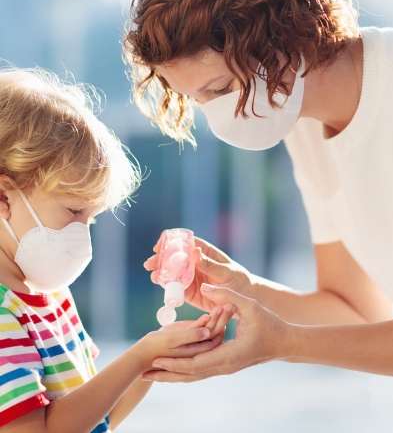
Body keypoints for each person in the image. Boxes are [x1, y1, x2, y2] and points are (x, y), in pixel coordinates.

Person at [122, 0, 393, 382]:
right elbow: (359, 313)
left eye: (220, 89)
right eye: (198, 101)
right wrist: (245, 290)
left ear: (284, 35)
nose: (217, 117)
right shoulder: (304, 126)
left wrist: (286, 343)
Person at [0, 67, 234, 432]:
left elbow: (99, 418)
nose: (82, 235)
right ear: (3, 196)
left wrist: (156, 357)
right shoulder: (3, 314)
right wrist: (139, 357)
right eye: (73, 211)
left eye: (90, 219)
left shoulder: (53, 296)